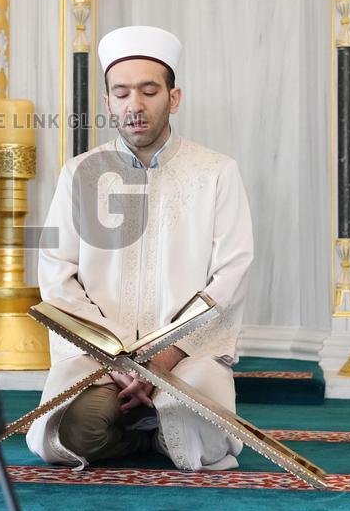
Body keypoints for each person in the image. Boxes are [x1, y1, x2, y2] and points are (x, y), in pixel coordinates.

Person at [26, 25, 255, 472]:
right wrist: (114, 360)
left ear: (174, 98)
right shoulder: (80, 174)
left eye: (149, 91)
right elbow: (56, 274)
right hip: (100, 359)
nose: (135, 105)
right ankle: (144, 438)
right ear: (109, 101)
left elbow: (232, 274)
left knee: (201, 434)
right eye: (122, 92)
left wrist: (164, 358)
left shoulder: (216, 173)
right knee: (70, 432)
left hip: (188, 358)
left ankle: (160, 424)